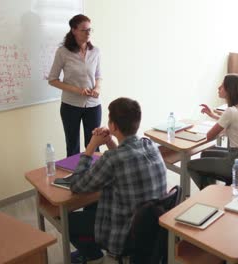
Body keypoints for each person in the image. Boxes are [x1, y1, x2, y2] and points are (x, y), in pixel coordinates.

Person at [67, 97, 167, 263]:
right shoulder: (149, 145)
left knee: (69, 222)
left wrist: (90, 147)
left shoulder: (112, 159)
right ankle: (95, 250)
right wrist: (109, 142)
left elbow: (77, 185)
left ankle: (96, 256)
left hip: (123, 235)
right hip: (152, 228)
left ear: (112, 126)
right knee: (92, 205)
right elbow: (125, 158)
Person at [187, 73, 238, 190]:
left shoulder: (231, 111)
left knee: (191, 165)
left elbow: (209, 136)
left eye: (222, 86)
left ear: (230, 90)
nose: (219, 88)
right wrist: (212, 115)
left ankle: (210, 193)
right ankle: (211, 190)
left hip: (235, 161)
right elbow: (231, 121)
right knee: (205, 153)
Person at [48, 14, 103, 157]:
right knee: (72, 146)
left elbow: (98, 76)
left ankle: (95, 176)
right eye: (84, 30)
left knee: (93, 144)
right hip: (70, 105)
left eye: (90, 29)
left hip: (93, 105)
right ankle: (75, 177)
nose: (88, 33)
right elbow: (52, 79)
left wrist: (97, 88)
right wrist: (77, 90)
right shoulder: (63, 52)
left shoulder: (95, 51)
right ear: (74, 30)